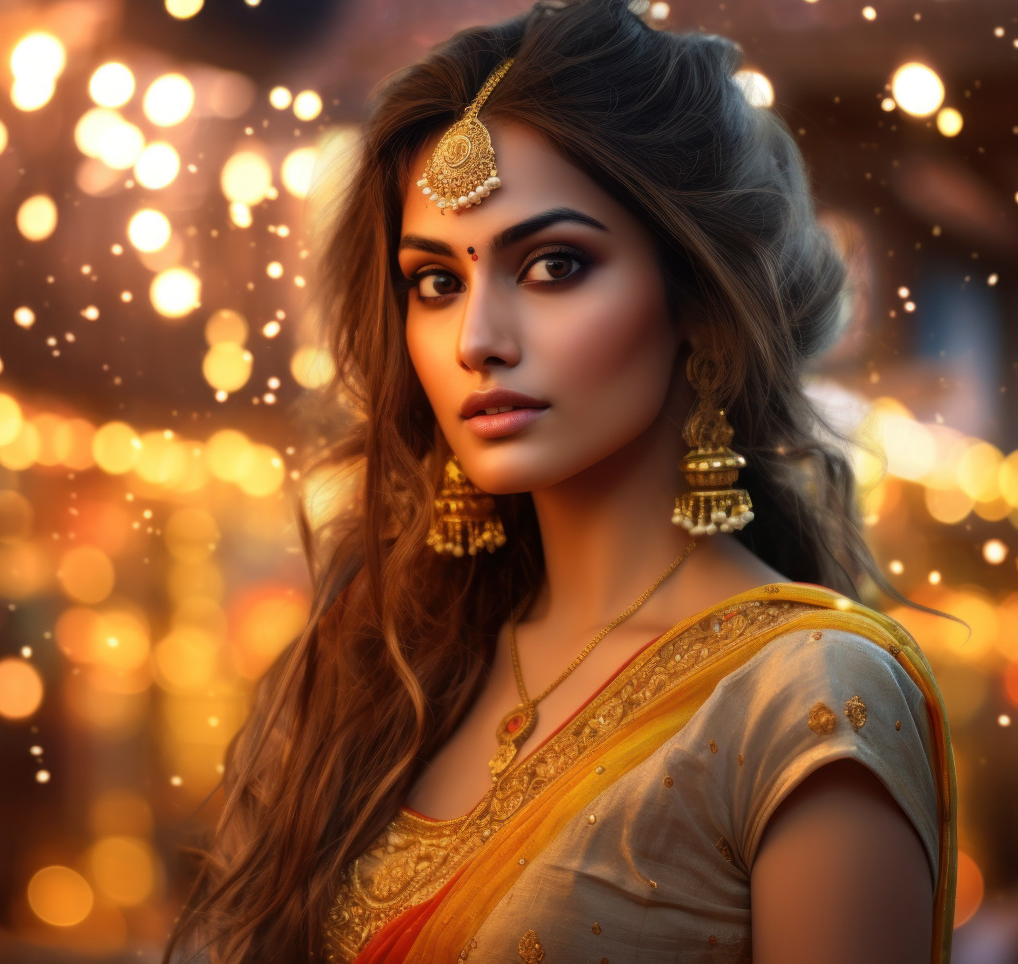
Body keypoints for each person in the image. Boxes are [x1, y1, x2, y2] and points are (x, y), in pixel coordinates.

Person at [166, 0, 957, 961]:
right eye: (436, 282)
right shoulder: (392, 672)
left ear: (699, 306)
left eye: (552, 264)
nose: (477, 340)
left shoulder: (808, 700)